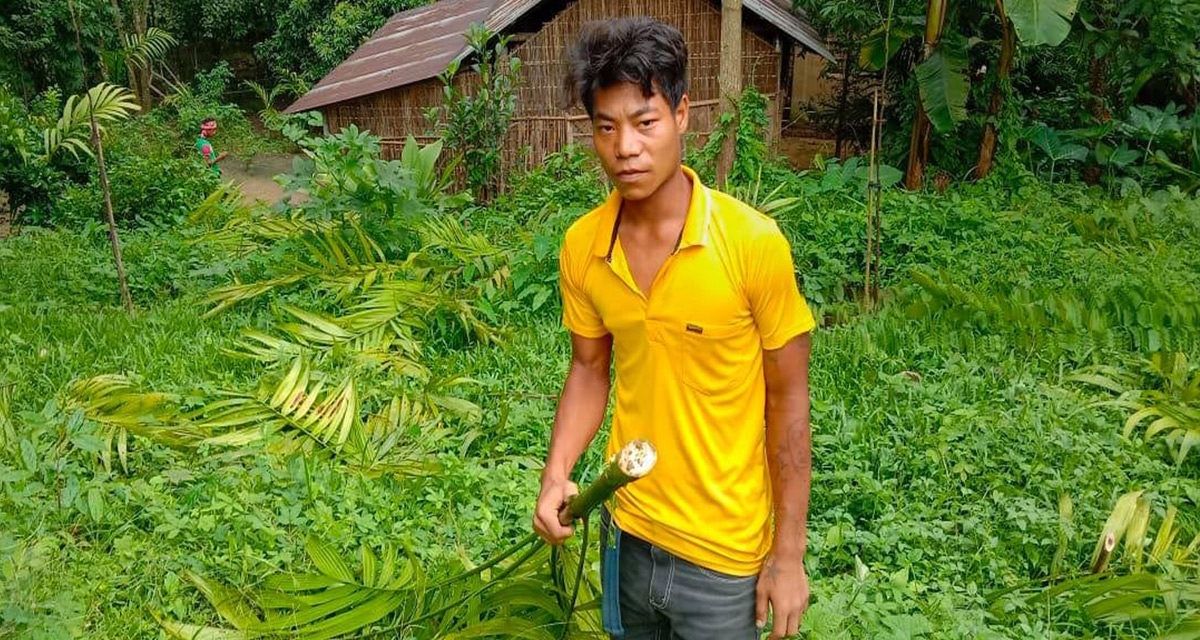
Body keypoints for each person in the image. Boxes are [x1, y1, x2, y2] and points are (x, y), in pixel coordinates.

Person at [532, 17, 815, 640]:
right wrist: (557, 473)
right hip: (626, 532)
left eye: (644, 121)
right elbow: (588, 367)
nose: (625, 147)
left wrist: (787, 556)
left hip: (724, 560)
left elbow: (789, 402)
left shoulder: (752, 245)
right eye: (606, 127)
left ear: (683, 115)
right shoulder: (584, 246)